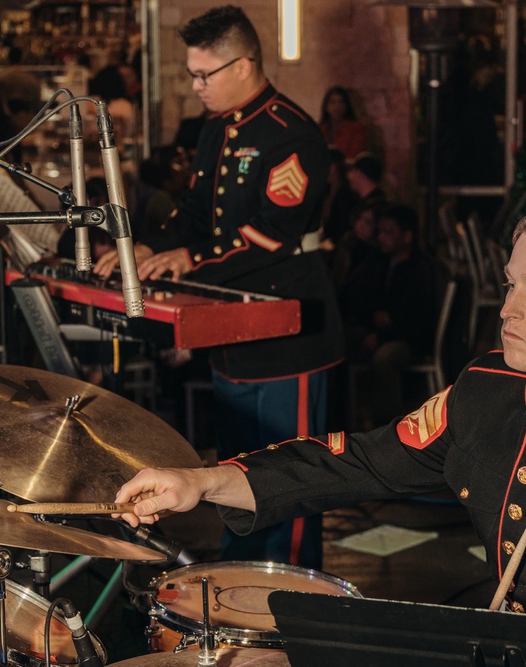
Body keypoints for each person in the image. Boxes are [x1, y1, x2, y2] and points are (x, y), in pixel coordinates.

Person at [115, 197, 526, 628]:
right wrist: (202, 480)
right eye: (512, 283)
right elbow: (359, 464)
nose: (508, 309)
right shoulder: (485, 389)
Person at [94, 5, 344, 569]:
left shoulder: (292, 134)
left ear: (245, 64)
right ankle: (238, 588)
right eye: (191, 75)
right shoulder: (215, 130)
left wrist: (188, 259)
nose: (197, 86)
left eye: (205, 75)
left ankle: (291, 598)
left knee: (292, 477)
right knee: (233, 474)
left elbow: (268, 236)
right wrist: (149, 248)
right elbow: (192, 215)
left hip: (289, 325)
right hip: (229, 325)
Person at [346, 204, 440, 424]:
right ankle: (345, 417)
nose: (381, 238)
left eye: (389, 232)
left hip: (407, 338)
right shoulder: (379, 263)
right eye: (380, 232)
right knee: (342, 341)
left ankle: (389, 423)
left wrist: (381, 335)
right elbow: (362, 300)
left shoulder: (419, 270)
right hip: (380, 329)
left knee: (385, 358)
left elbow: (417, 321)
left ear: (407, 237)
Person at [318, 86, 368, 161]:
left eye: (341, 102)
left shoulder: (356, 128)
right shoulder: (320, 128)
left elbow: (354, 155)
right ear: (326, 106)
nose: (337, 106)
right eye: (333, 102)